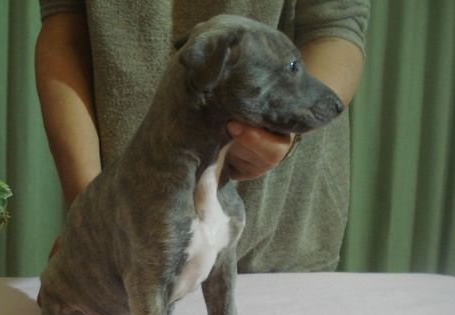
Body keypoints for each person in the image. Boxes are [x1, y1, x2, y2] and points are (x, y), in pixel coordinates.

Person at [35, 0, 370, 273]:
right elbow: (66, 33)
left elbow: (336, 27)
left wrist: (285, 134)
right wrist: (91, 217)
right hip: (133, 232)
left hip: (280, 234)